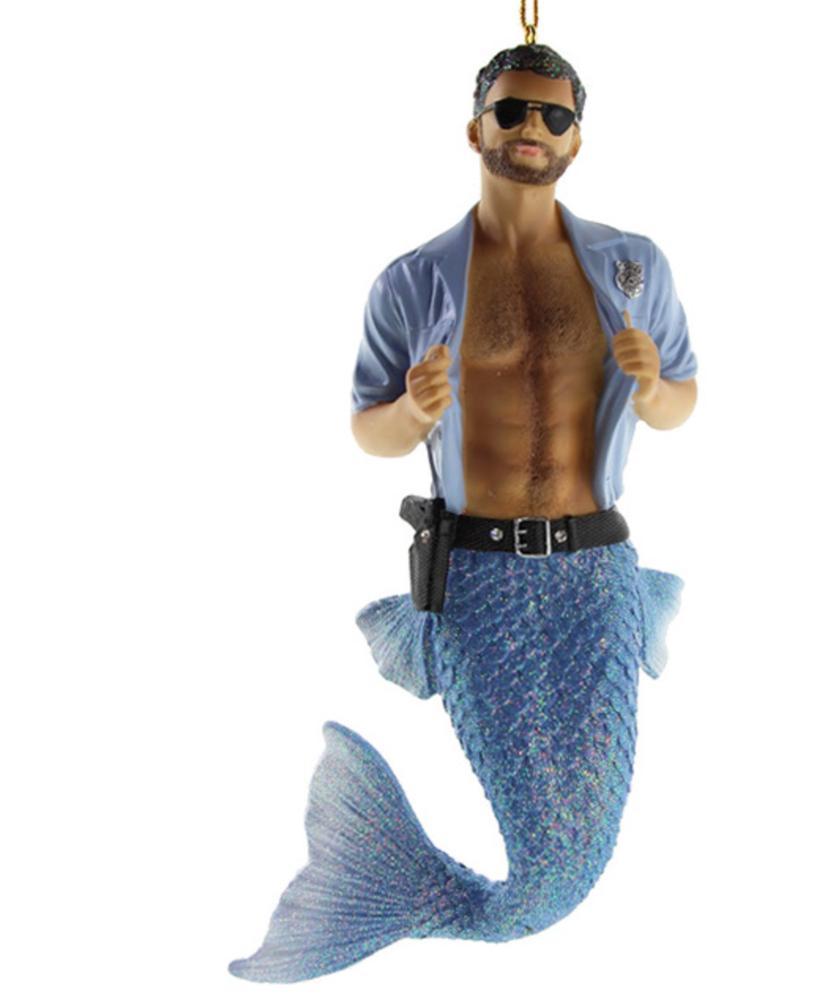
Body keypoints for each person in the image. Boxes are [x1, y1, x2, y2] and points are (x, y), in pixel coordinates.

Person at [229, 43, 698, 984]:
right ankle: (379, 885)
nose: (533, 129)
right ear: (476, 127)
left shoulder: (633, 267)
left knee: (574, 858)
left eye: (555, 116)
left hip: (599, 574)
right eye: (513, 110)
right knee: (542, 853)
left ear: (577, 139)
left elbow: (682, 399)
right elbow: (369, 430)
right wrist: (411, 411)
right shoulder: (413, 280)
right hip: (478, 580)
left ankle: (381, 886)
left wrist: (652, 388)